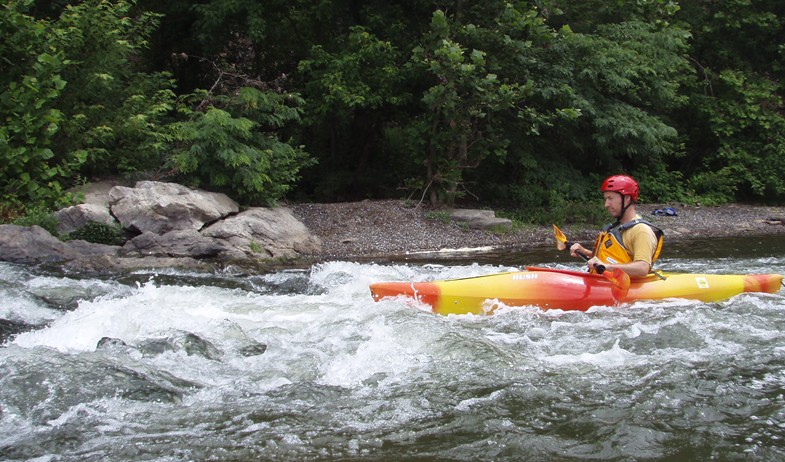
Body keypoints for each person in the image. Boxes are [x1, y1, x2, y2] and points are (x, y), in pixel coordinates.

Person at [570, 174, 664, 278]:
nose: (606, 204)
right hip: (605, 282)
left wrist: (607, 267)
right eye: (605, 199)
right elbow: (609, 259)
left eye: (610, 198)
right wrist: (584, 252)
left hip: (629, 287)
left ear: (627, 199)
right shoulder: (616, 228)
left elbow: (642, 268)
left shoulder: (641, 230)